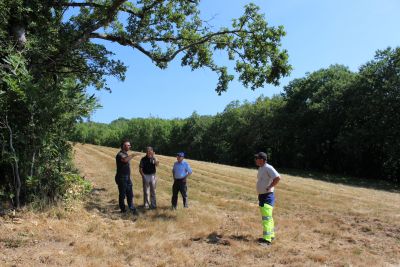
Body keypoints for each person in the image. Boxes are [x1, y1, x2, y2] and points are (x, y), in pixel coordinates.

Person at [254, 151, 281, 246]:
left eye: (257, 158)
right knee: (268, 218)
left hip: (267, 196)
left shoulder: (268, 168)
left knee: (266, 219)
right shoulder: (261, 168)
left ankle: (266, 240)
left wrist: (270, 186)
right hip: (262, 196)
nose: (255, 160)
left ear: (262, 160)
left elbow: (277, 177)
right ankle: (271, 235)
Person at [115, 140, 137, 214]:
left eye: (129, 145)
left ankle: (131, 208)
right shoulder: (120, 154)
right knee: (122, 194)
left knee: (130, 194)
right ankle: (123, 209)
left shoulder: (125, 154)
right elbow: (125, 160)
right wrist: (133, 155)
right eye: (128, 145)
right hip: (121, 178)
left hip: (127, 178)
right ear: (124, 146)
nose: (130, 146)